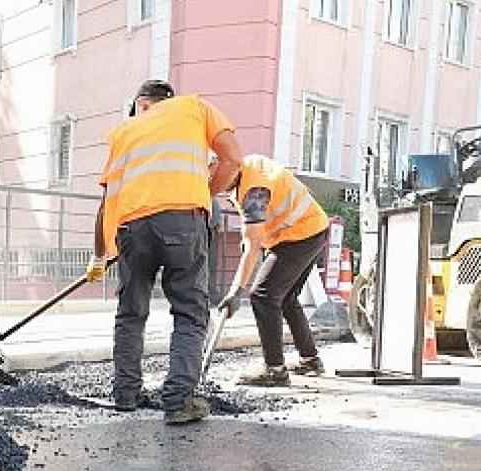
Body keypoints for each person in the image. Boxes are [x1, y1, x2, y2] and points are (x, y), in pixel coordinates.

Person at [86, 79, 243, 424]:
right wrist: (205, 192)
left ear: (141, 104)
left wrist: (101, 254)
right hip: (183, 222)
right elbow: (233, 158)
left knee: (130, 312)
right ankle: (178, 401)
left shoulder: (125, 131)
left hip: (132, 227)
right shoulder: (195, 107)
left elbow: (106, 203)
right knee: (189, 312)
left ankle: (125, 394)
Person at [215, 154, 330, 386]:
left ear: (226, 168)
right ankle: (310, 360)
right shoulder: (248, 166)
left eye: (214, 179)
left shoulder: (254, 190)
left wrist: (236, 291)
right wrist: (252, 238)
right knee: (286, 297)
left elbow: (253, 246)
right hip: (312, 229)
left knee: (263, 295)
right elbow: (254, 232)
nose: (213, 186)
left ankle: (275, 370)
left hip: (300, 235)